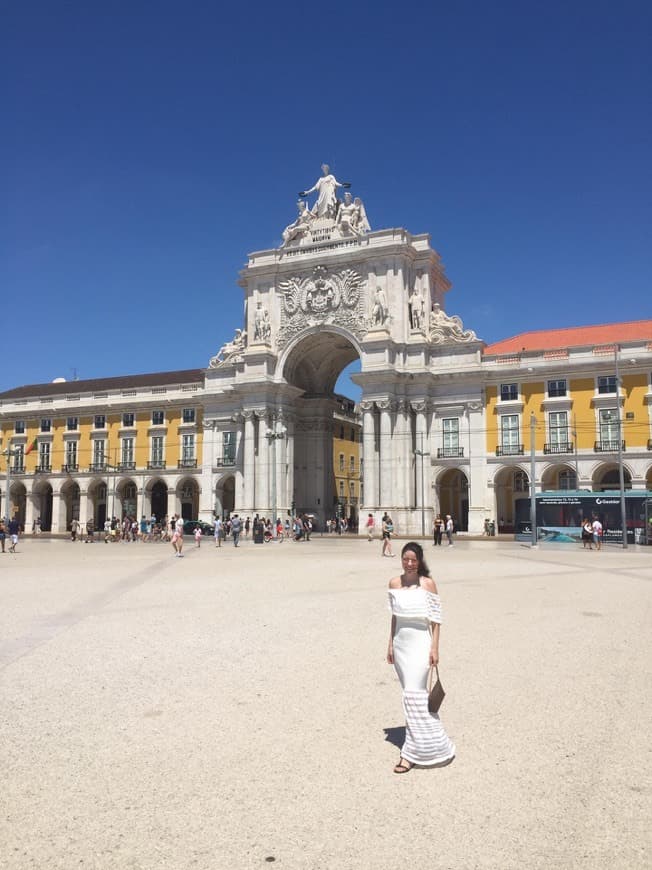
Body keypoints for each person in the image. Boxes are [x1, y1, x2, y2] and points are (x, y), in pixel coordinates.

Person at [387, 541, 455, 773]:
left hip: (420, 644)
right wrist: (389, 645)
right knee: (409, 696)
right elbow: (394, 618)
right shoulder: (394, 583)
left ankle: (412, 753)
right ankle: (418, 744)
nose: (409, 564)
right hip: (401, 645)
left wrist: (435, 648)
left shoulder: (428, 584)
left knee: (414, 695)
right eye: (405, 559)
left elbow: (436, 620)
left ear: (420, 561)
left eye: (413, 560)